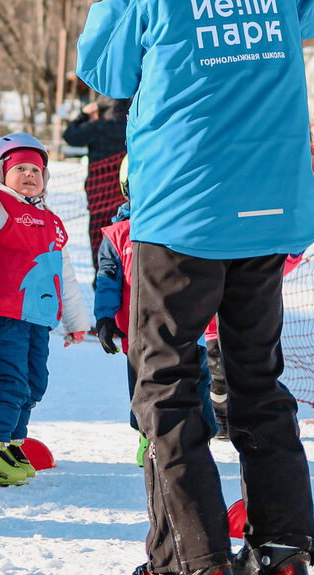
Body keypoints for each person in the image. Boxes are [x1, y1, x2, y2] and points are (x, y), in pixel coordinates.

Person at [77, 0, 314, 575]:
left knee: (166, 384)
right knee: (259, 383)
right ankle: (284, 560)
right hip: (270, 214)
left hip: (183, 216)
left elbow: (105, 70)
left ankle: (194, 566)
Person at [0, 108, 86, 487]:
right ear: (2, 175)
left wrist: (76, 321)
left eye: (36, 171)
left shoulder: (51, 221)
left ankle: (10, 444)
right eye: (20, 169)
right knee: (9, 382)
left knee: (33, 383)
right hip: (3, 314)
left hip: (38, 318)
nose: (30, 176)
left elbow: (64, 273)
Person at [92, 167, 220, 468]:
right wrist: (105, 317)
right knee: (145, 385)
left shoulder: (185, 224)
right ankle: (149, 437)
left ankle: (200, 438)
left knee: (196, 381)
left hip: (188, 326)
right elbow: (108, 278)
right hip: (140, 330)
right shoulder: (118, 234)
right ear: (128, 189)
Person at [62, 96, 130, 267]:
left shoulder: (97, 127)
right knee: (124, 239)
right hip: (127, 195)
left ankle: (101, 278)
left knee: (98, 240)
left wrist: (83, 115)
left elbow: (70, 135)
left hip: (98, 195)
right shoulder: (133, 126)